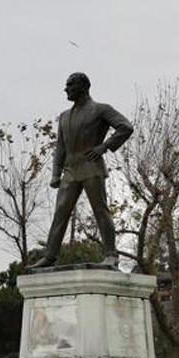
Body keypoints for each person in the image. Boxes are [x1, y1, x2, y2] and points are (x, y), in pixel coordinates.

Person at [29, 72, 133, 269]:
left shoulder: (101, 109)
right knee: (60, 212)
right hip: (70, 170)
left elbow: (125, 127)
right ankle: (50, 256)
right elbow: (61, 146)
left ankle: (111, 254)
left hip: (91, 166)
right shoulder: (64, 116)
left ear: (83, 87)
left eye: (70, 85)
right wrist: (56, 173)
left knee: (100, 210)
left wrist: (104, 147)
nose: (66, 89)